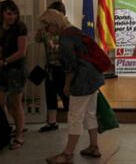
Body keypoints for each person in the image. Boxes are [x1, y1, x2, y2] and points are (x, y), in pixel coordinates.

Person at [40, 9, 104, 163]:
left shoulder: (65, 38)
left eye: (46, 27)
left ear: (54, 24)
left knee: (75, 116)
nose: (46, 31)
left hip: (81, 80)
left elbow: (71, 67)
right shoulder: (74, 30)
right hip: (93, 76)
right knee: (90, 113)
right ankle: (94, 147)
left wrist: (67, 85)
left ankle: (67, 154)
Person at [0, 0, 28, 150]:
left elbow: (21, 52)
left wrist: (3, 61)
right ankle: (6, 128)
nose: (12, 16)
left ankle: (19, 135)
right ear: (2, 14)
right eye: (8, 13)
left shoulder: (20, 27)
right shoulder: (1, 26)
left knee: (15, 103)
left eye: (14, 13)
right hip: (3, 68)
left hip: (16, 69)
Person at [36, 1, 69, 132]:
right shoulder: (45, 29)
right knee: (50, 94)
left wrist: (53, 45)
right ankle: (52, 122)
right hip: (50, 67)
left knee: (66, 95)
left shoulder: (66, 29)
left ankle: (72, 122)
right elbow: (37, 40)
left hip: (63, 68)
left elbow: (65, 48)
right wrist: (40, 32)